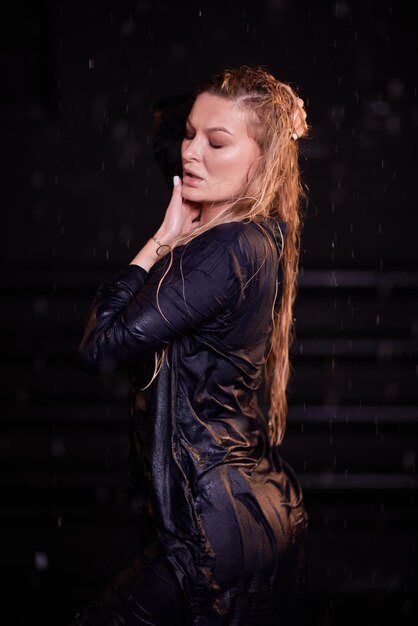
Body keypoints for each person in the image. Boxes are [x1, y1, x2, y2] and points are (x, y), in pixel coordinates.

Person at [72, 65, 309, 625]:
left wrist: (157, 242)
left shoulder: (226, 251)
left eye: (216, 141)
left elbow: (99, 348)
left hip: (210, 534)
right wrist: (275, 109)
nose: (190, 151)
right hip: (251, 509)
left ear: (264, 161)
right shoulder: (255, 237)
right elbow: (168, 125)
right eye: (190, 134)